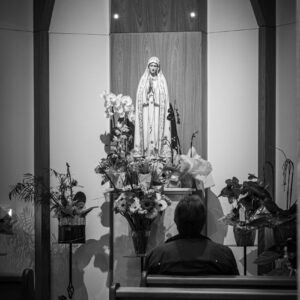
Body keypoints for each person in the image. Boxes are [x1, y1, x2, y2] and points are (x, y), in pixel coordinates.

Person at [144, 194, 239, 275]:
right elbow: (237, 292)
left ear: (176, 221)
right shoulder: (224, 255)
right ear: (203, 222)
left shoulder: (157, 256)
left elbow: (145, 292)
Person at [134, 56, 171, 157]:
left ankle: (157, 153)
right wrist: (147, 89)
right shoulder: (144, 80)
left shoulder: (162, 81)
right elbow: (139, 96)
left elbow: (164, 97)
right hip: (146, 110)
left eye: (155, 66)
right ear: (148, 67)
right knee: (146, 130)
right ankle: (145, 153)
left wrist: (156, 92)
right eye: (151, 66)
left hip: (157, 110)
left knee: (156, 130)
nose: (153, 68)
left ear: (158, 68)